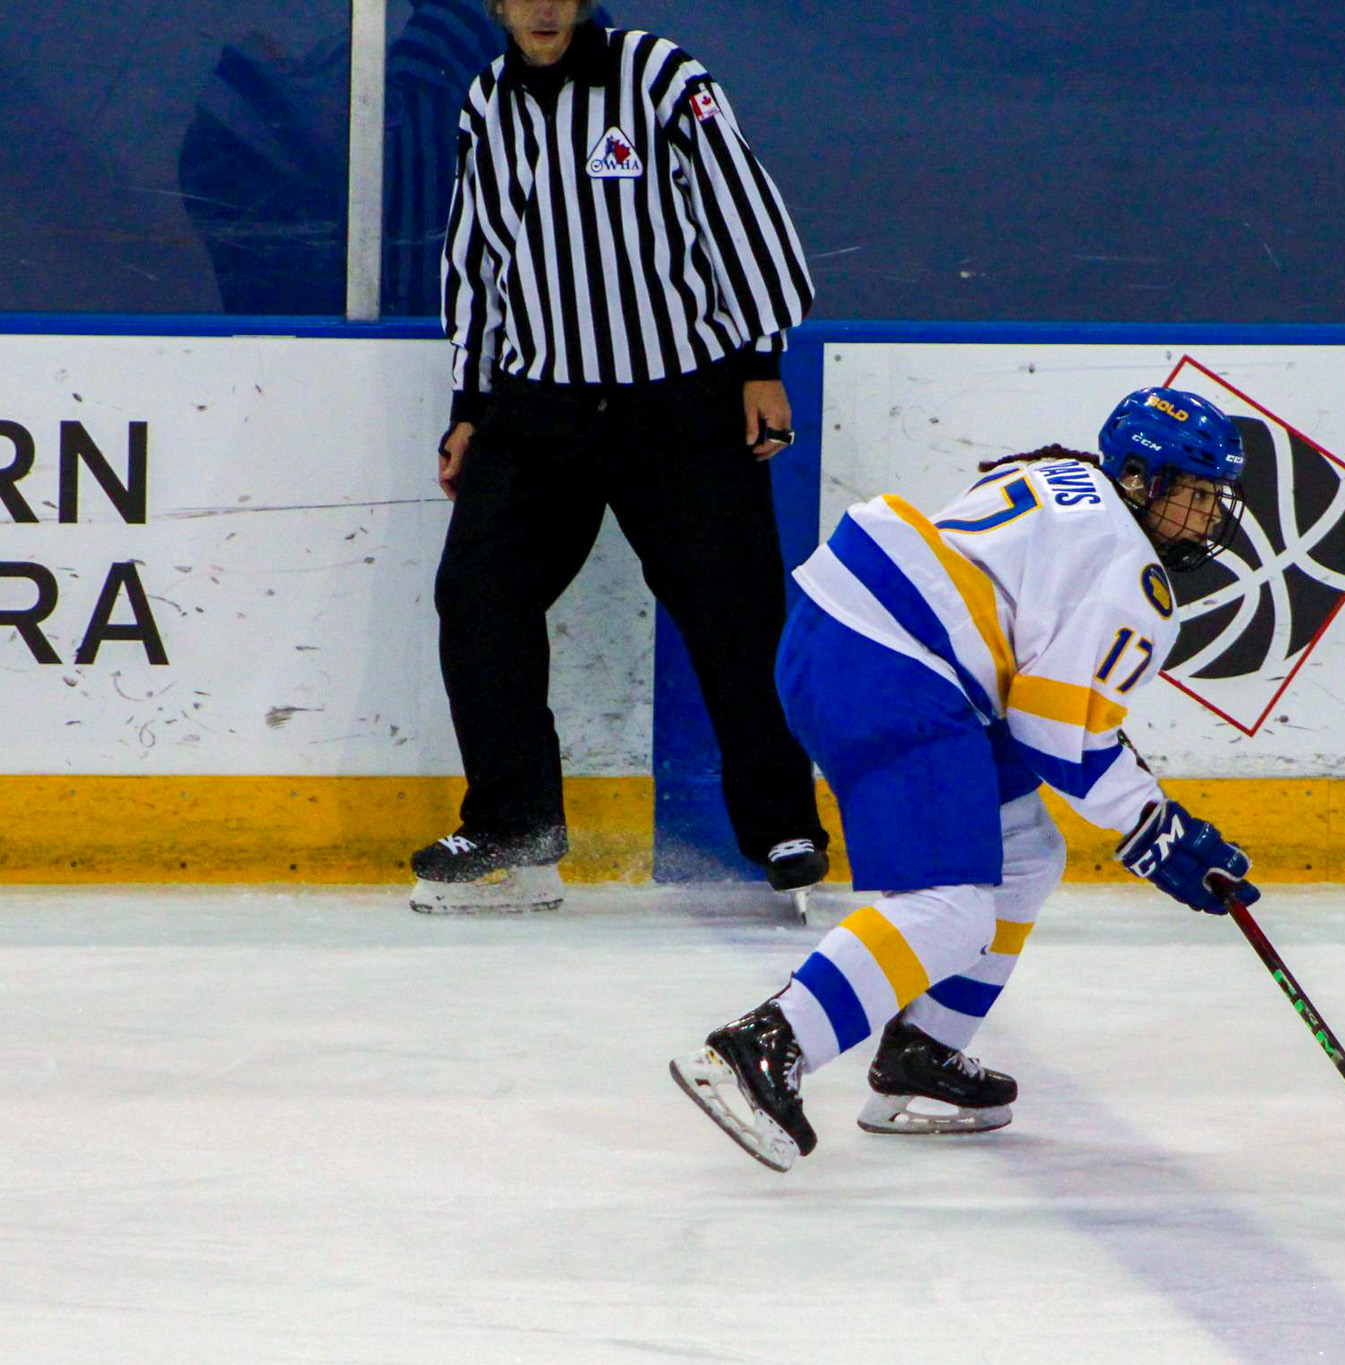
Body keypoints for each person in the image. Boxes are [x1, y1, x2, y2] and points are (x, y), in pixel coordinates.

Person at [670, 386, 1266, 1171]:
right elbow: (1060, 737)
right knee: (950, 909)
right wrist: (1158, 829)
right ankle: (764, 1046)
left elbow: (1031, 700)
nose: (1209, 517)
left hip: (843, 633)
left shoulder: (1059, 477)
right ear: (1138, 480)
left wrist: (1146, 814)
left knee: (1025, 851)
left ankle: (923, 1053)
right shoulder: (1132, 573)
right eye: (1193, 494)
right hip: (893, 663)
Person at [409, 0, 830, 912]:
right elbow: (478, 258)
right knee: (477, 594)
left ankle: (781, 828)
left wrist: (761, 360)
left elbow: (741, 211)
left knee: (737, 616)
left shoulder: (661, 76)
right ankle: (514, 821)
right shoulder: (486, 100)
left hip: (679, 405)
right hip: (537, 410)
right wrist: (470, 404)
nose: (546, 6)